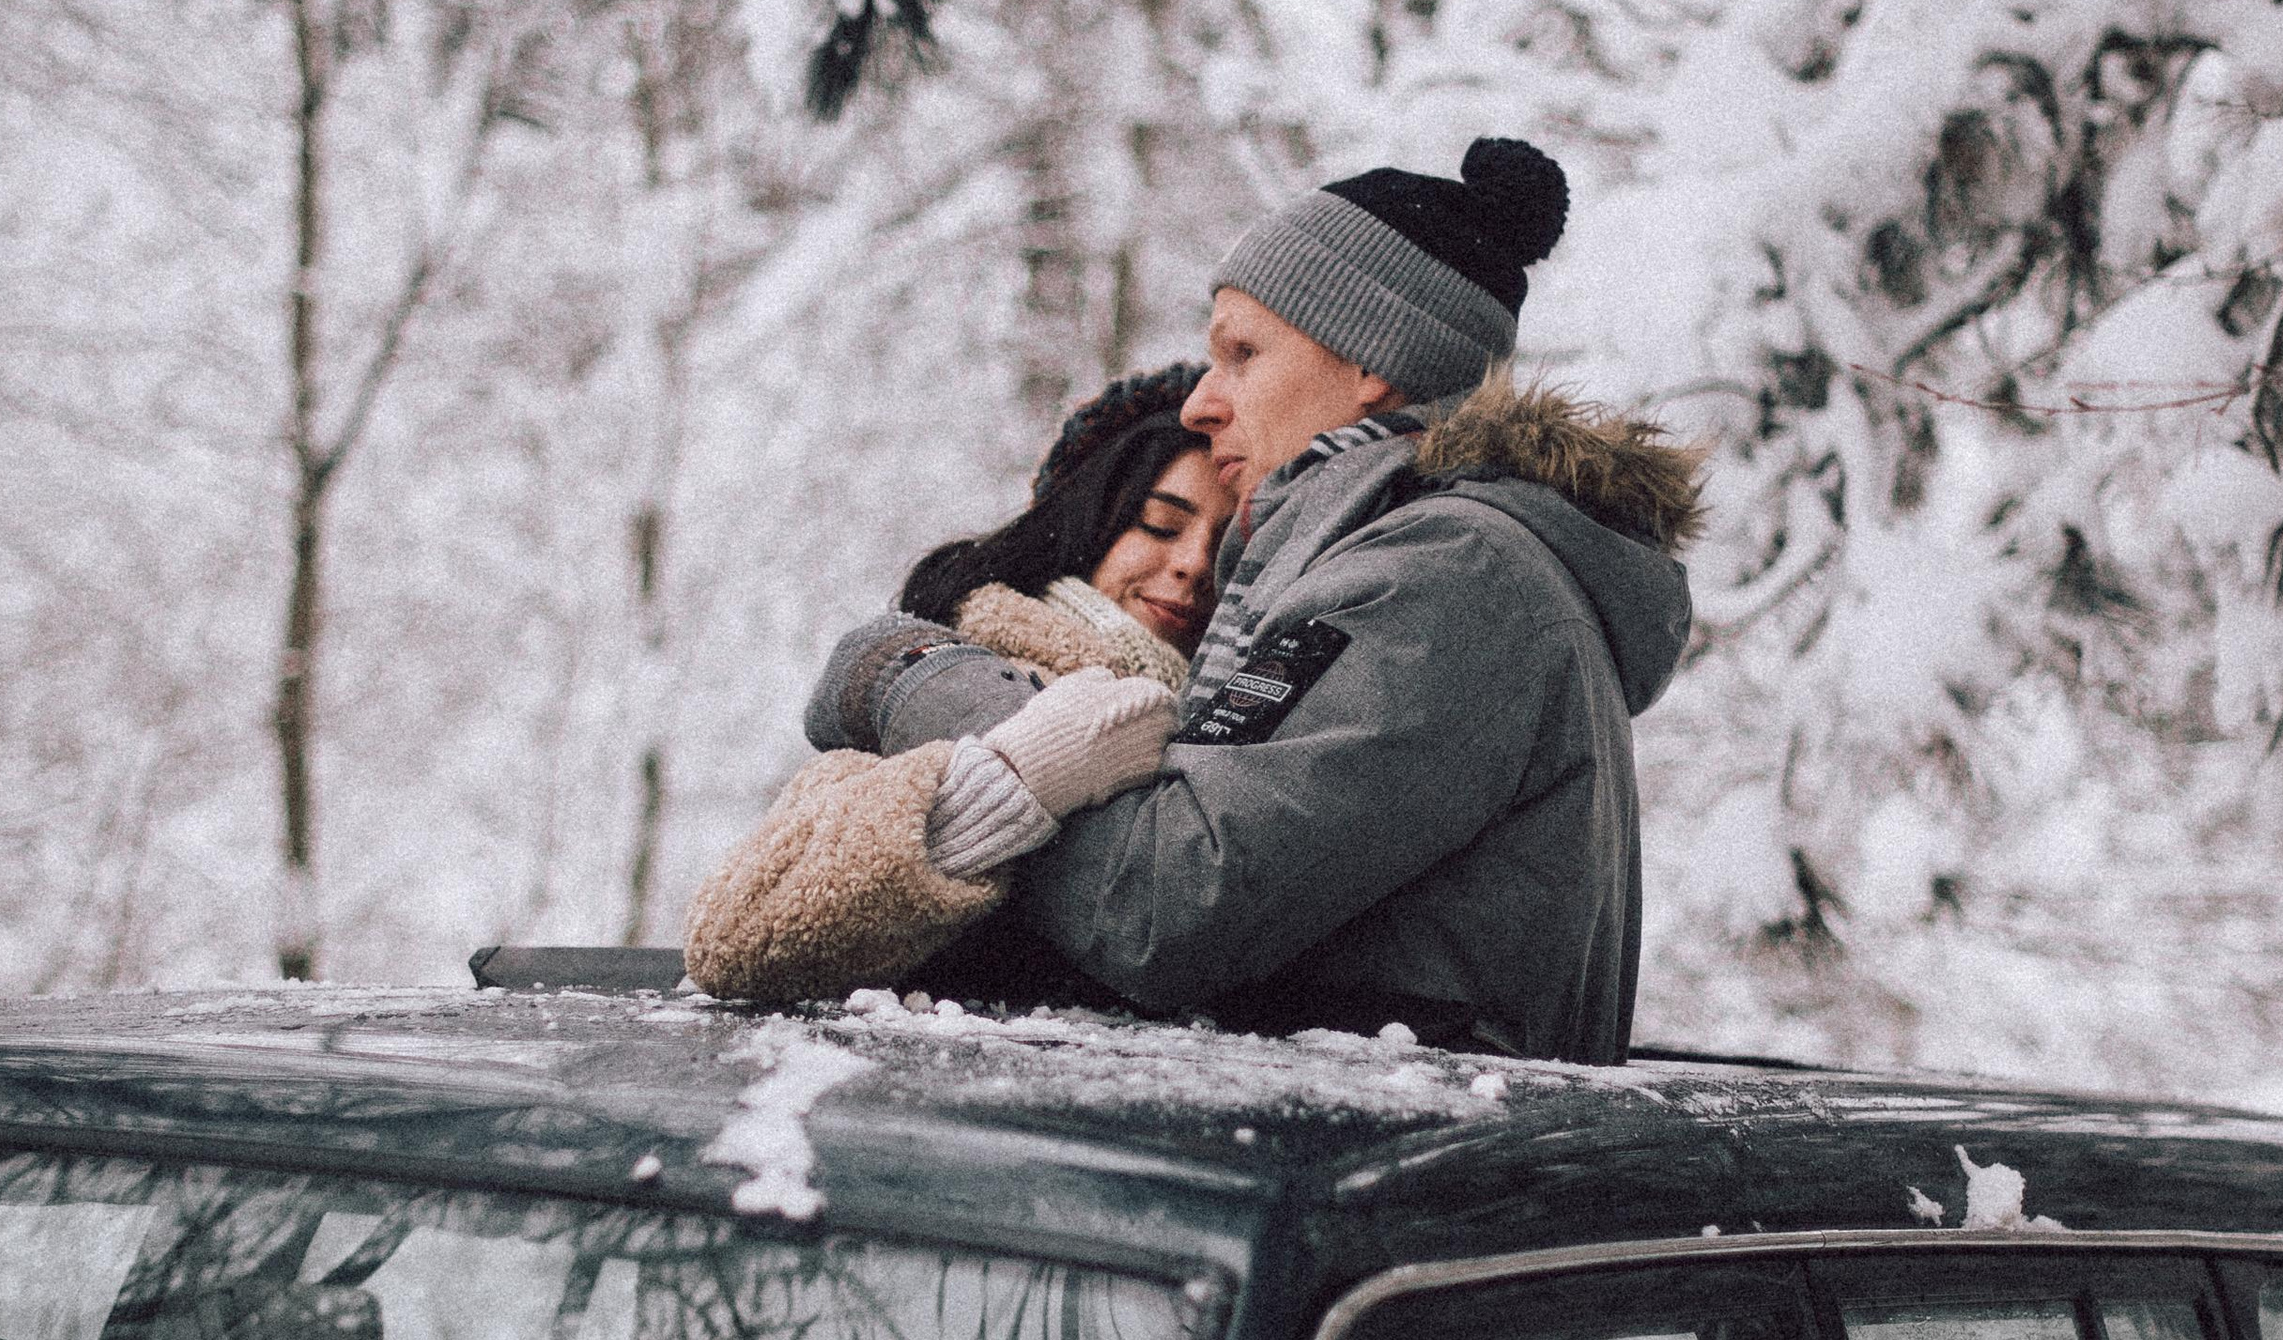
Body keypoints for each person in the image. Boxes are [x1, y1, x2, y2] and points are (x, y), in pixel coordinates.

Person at [785, 136, 1704, 1061]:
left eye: (1242, 352)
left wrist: (918, 679)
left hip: (1359, 1176)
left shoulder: (1443, 574)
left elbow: (1162, 903)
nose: (1200, 403)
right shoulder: (1420, 559)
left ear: (1369, 361)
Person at [682, 370, 1235, 1006]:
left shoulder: (1242, 722)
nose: (1194, 564)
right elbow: (739, 932)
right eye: (1160, 525)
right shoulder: (963, 674)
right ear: (1086, 522)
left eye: (1227, 553)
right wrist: (1020, 773)